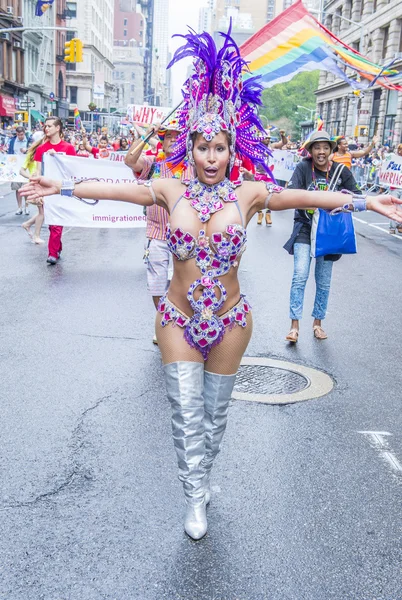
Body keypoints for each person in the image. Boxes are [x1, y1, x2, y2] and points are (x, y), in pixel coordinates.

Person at [22, 31, 402, 541]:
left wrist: (364, 201)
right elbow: (114, 186)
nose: (210, 157)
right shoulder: (168, 187)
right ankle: (194, 494)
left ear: (231, 148)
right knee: (184, 413)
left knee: (214, 419)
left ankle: (203, 473)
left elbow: (299, 196)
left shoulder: (247, 194)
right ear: (191, 146)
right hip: (177, 319)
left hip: (230, 321)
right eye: (202, 147)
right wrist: (61, 185)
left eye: (219, 147)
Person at [284, 131, 362, 342]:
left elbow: (356, 196)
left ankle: (318, 323)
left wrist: (341, 204)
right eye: (316, 148)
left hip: (329, 234)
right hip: (304, 228)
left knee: (324, 280)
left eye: (325, 147)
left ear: (331, 150)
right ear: (310, 151)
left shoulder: (341, 171)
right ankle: (294, 326)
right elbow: (290, 195)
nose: (321, 152)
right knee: (300, 275)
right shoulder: (302, 168)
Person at [125, 118, 193, 344]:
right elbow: (129, 160)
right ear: (161, 142)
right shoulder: (153, 164)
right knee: (157, 282)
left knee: (184, 282)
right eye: (168, 136)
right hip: (156, 233)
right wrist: (145, 136)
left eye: (177, 136)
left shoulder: (192, 166)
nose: (173, 139)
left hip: (185, 236)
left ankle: (181, 320)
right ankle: (164, 319)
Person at [33, 116, 76, 263]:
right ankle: (57, 247)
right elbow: (37, 172)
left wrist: (57, 156)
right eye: (45, 126)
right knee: (52, 223)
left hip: (62, 188)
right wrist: (36, 191)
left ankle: (52, 253)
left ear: (58, 128)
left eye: (50, 126)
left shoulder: (68, 148)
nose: (46, 128)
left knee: (57, 222)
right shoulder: (41, 149)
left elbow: (73, 170)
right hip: (46, 189)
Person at [256, 129, 287, 225]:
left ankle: (268, 215)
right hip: (258, 174)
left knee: (271, 194)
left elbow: (283, 143)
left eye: (269, 138)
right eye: (266, 138)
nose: (268, 140)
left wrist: (282, 135)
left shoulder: (272, 147)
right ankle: (260, 214)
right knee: (259, 195)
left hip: (270, 175)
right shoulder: (255, 147)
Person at [8, 126, 29, 216]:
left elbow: (33, 152)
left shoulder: (29, 140)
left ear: (24, 133)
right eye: (18, 134)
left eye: (21, 134)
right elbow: (9, 153)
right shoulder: (13, 141)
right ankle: (19, 207)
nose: (20, 136)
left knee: (26, 187)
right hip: (15, 167)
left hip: (26, 167)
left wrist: (26, 150)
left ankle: (26, 207)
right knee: (18, 188)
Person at [387, 143, 402, 234]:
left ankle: (400, 224)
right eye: (399, 149)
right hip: (394, 186)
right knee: (394, 206)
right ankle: (392, 226)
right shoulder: (393, 158)